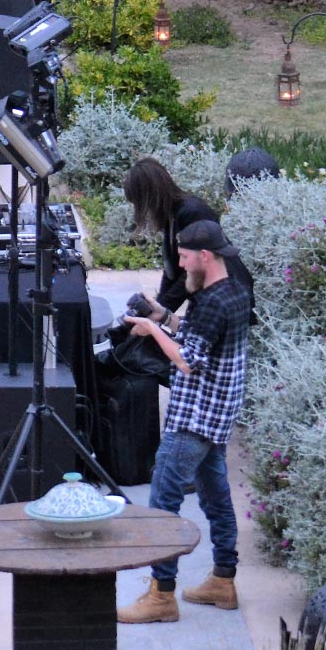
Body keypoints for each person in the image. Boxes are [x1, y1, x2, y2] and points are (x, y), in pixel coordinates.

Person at [118, 220, 254, 624]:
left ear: (204, 256)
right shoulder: (232, 291)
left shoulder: (212, 302)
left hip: (196, 416)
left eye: (184, 256)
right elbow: (197, 337)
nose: (179, 264)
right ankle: (223, 581)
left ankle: (161, 595)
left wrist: (148, 330)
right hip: (218, 414)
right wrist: (161, 316)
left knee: (163, 501)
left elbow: (188, 360)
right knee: (215, 497)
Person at [122, 157, 257, 321]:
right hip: (212, 297)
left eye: (140, 203)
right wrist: (159, 308)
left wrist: (161, 311)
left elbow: (194, 269)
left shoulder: (192, 213)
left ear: (150, 195)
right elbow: (173, 270)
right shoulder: (172, 214)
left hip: (227, 298)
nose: (142, 210)